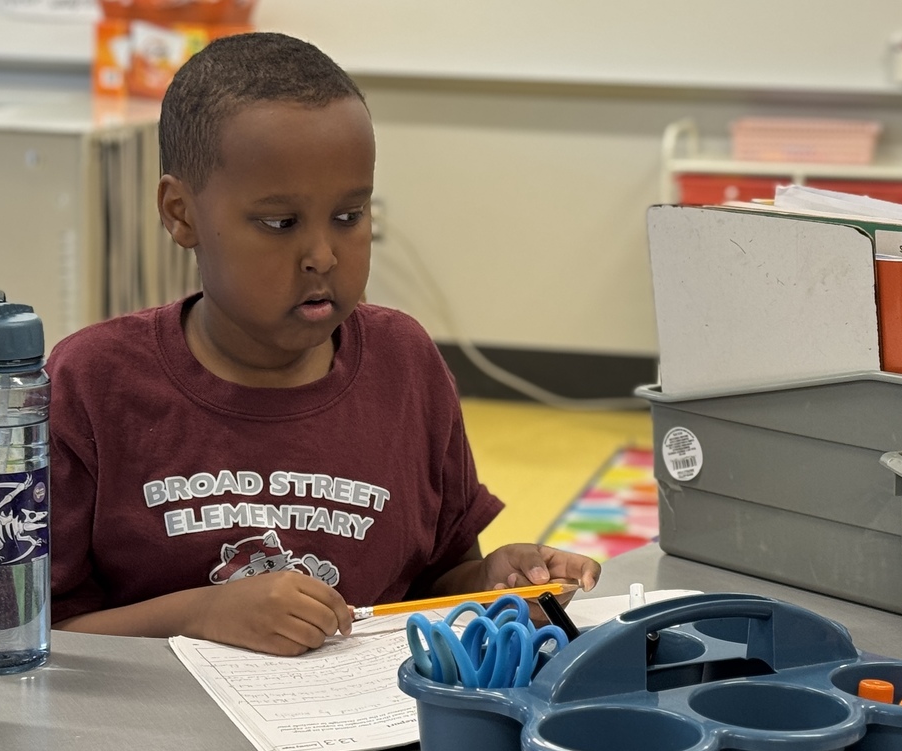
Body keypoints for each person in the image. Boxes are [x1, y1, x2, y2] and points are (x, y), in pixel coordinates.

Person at [47, 31, 600, 657]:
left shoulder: (405, 362)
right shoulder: (91, 382)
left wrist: (497, 582)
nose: (322, 256)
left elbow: (437, 582)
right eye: (280, 223)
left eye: (349, 215)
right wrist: (201, 614)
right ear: (181, 214)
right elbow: (33, 638)